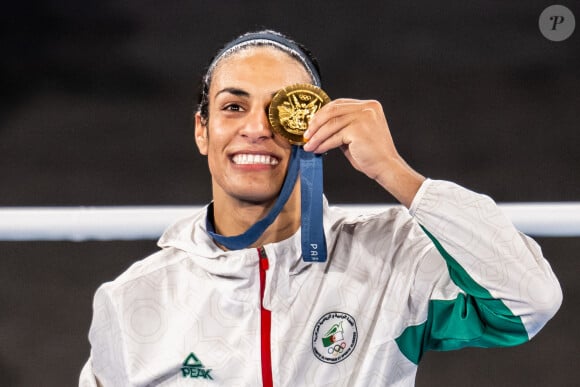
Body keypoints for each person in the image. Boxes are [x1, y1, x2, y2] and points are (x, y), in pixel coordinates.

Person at [79, 30, 562, 386]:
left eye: (280, 109)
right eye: (233, 106)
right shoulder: (131, 303)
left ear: (313, 127)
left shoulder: (392, 257)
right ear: (202, 131)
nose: (256, 128)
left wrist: (396, 172)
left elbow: (528, 301)